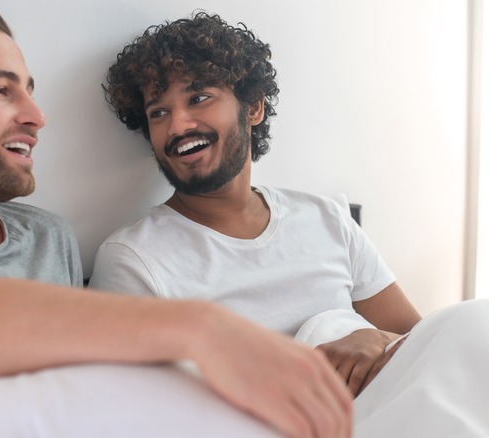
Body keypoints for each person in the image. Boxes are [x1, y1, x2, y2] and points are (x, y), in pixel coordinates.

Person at [0, 4, 352, 438]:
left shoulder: (46, 239)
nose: (36, 116)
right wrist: (201, 327)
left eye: (29, 91)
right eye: (2, 90)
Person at [91, 11, 489, 437]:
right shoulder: (135, 259)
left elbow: (420, 340)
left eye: (199, 98)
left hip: (389, 403)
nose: (178, 125)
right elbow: (141, 413)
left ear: (254, 107)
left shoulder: (325, 218)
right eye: (158, 112)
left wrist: (371, 340)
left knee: (473, 322)